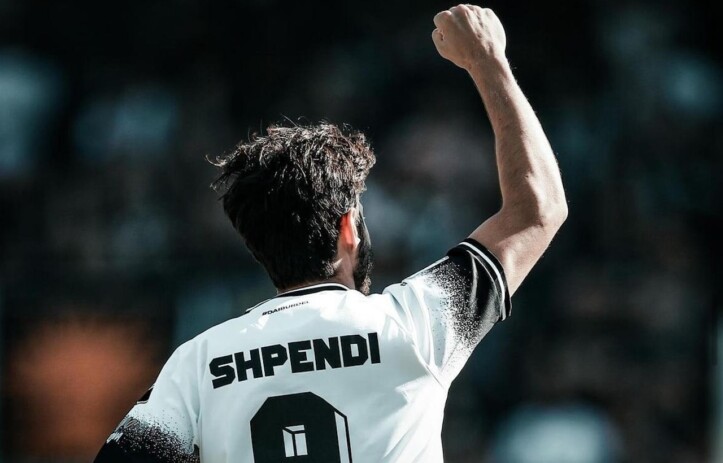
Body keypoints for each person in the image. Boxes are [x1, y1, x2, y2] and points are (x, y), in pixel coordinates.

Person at [95, 4, 567, 462]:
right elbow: (537, 210)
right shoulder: (413, 324)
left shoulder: (198, 363)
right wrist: (488, 60)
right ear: (348, 227)